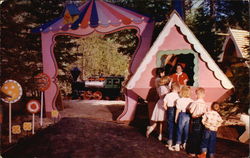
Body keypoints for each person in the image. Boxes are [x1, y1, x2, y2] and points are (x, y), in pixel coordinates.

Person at [146, 76, 171, 141]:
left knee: (160, 120)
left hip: (160, 102)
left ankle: (153, 130)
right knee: (161, 120)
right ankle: (158, 133)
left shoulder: (160, 87)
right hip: (162, 103)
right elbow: (164, 95)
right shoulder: (163, 88)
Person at [186, 87, 208, 157]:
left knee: (194, 136)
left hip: (196, 120)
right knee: (200, 136)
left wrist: (189, 110)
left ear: (196, 95)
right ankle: (198, 151)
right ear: (204, 95)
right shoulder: (205, 104)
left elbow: (191, 111)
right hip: (203, 121)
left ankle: (192, 151)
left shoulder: (194, 103)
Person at [172, 86, 193, 151]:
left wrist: (176, 118)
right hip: (188, 115)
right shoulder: (191, 101)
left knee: (179, 130)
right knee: (186, 130)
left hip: (182, 115)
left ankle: (177, 144)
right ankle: (185, 143)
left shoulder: (179, 100)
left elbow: (178, 110)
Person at [163, 82, 180, 150]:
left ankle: (169, 142)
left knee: (170, 126)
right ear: (178, 89)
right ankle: (174, 142)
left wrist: (167, 109)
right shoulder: (178, 96)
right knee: (176, 125)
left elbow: (164, 105)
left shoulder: (168, 95)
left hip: (169, 109)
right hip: (176, 110)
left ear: (171, 88)